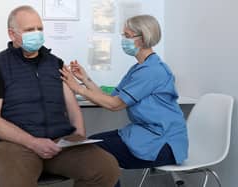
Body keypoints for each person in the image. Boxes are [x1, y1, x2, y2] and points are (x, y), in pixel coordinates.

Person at [0, 5, 120, 187]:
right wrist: (33, 142)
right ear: (12, 34)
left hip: (59, 143)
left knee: (106, 168)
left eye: (40, 29)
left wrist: (78, 135)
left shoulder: (55, 63)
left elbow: (71, 105)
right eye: (30, 30)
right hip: (13, 145)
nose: (37, 33)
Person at [60, 14, 189, 184]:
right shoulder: (139, 68)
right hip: (146, 134)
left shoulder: (152, 71)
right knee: (92, 143)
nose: (123, 40)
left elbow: (115, 105)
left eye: (127, 36)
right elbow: (110, 98)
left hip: (163, 144)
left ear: (143, 39)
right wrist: (85, 79)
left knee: (96, 154)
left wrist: (78, 89)